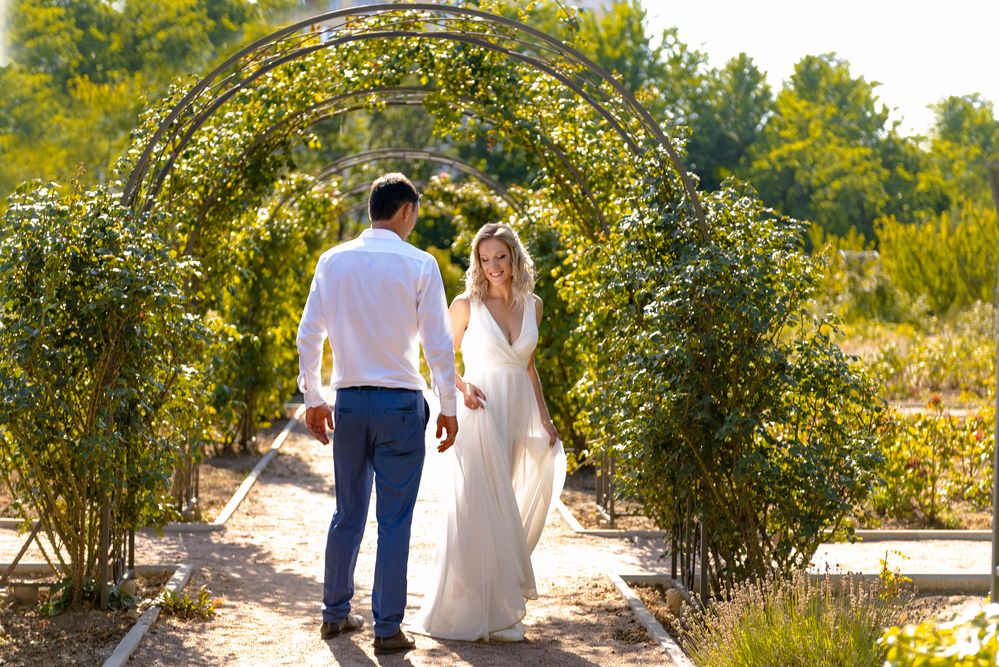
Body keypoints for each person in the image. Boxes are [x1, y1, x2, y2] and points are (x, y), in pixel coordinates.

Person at [296, 173, 458, 656]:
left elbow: (309, 335)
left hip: (348, 403)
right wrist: (448, 406)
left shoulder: (332, 260)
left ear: (372, 208)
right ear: (406, 211)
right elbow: (438, 344)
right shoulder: (420, 264)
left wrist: (313, 398)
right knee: (394, 520)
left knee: (347, 512)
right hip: (400, 407)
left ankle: (334, 614)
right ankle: (387, 628)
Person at [408, 222, 567, 642]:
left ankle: (496, 608)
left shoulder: (533, 305)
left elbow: (529, 366)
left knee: (505, 504)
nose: (493, 266)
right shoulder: (466, 305)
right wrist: (462, 389)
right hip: (479, 410)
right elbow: (438, 358)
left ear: (514, 258)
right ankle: (470, 612)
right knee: (477, 507)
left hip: (517, 410)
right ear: (477, 263)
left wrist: (545, 417)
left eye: (500, 257)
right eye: (485, 258)